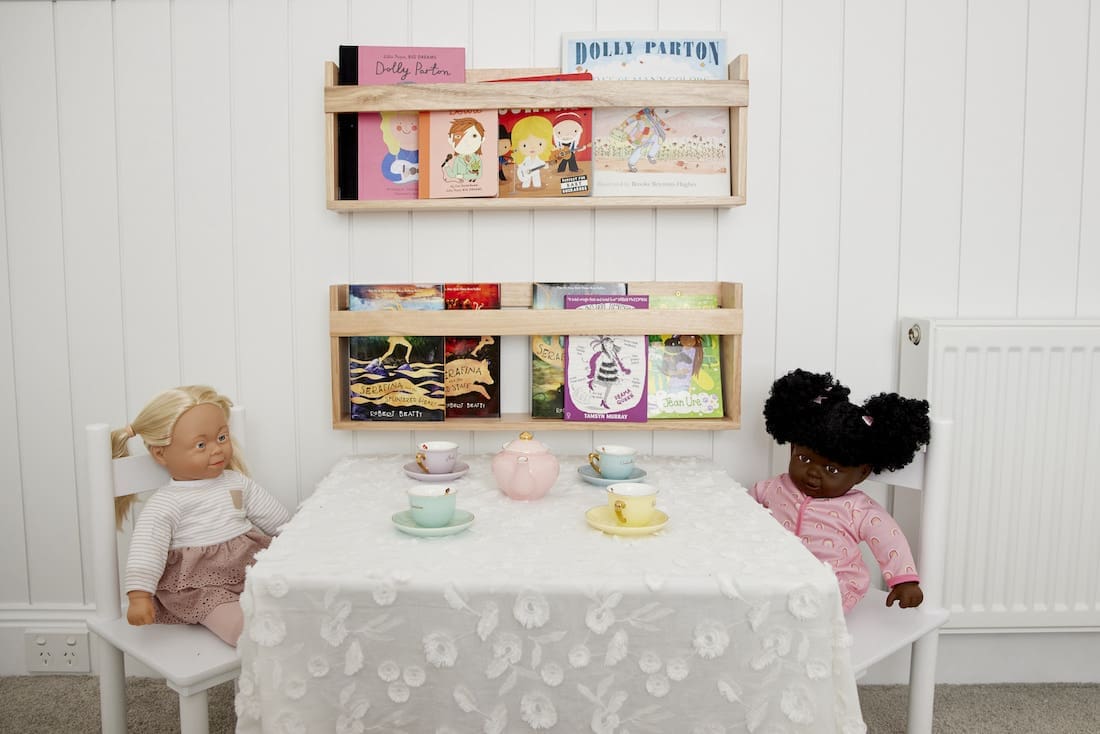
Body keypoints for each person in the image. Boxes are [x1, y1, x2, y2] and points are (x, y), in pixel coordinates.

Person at [114, 385, 291, 646]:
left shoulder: (236, 483)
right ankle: (244, 631)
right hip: (199, 585)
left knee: (288, 590)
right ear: (161, 453)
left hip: (247, 565)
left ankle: (290, 624)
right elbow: (146, 551)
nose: (217, 449)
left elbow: (277, 519)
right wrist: (139, 596)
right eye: (200, 444)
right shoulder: (166, 503)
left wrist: (298, 539)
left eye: (222, 438)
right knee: (230, 616)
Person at [750, 369, 931, 613]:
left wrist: (904, 580)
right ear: (792, 448)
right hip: (778, 576)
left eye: (832, 470)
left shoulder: (859, 509)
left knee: (817, 608)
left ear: (862, 473)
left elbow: (890, 539)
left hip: (835, 586)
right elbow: (742, 513)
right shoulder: (772, 488)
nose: (814, 473)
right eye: (804, 458)